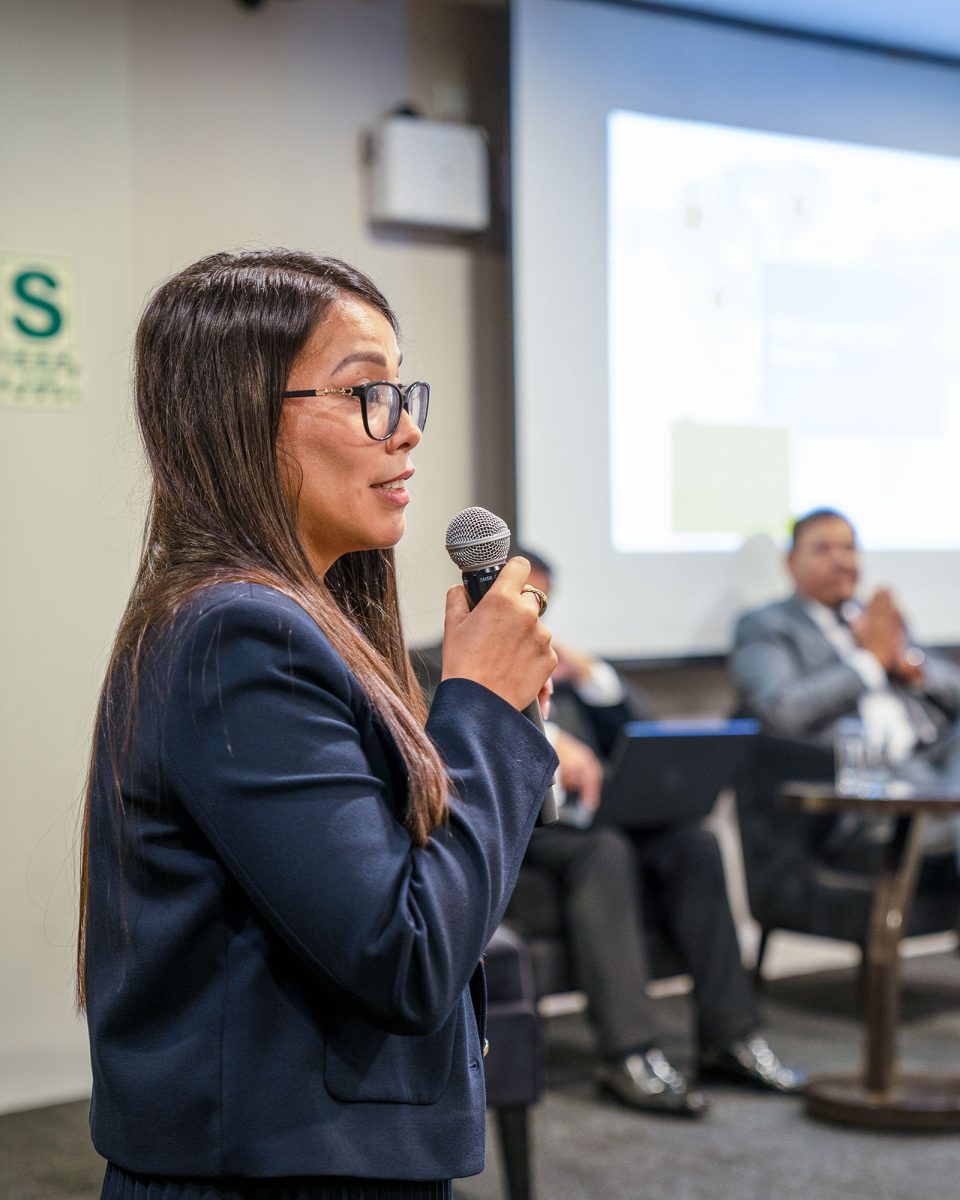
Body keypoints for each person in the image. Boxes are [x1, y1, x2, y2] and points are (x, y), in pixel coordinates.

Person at [76, 249, 560, 1200]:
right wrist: (481, 711)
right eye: (365, 393)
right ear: (237, 417)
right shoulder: (238, 635)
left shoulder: (306, 622)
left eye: (403, 391)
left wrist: (500, 724)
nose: (406, 428)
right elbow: (405, 955)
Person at [509, 549, 805, 1117]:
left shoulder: (555, 663)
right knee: (605, 850)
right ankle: (630, 1053)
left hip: (589, 817)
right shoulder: (447, 660)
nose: (533, 611)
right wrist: (548, 742)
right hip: (521, 827)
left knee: (694, 842)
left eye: (541, 601)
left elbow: (641, 728)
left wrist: (592, 676)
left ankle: (730, 1037)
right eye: (522, 596)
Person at [730, 508, 960, 875]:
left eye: (849, 548)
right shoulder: (767, 626)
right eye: (823, 549)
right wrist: (868, 663)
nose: (840, 560)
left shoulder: (878, 619)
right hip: (867, 787)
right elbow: (779, 710)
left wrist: (907, 663)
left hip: (936, 763)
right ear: (791, 563)